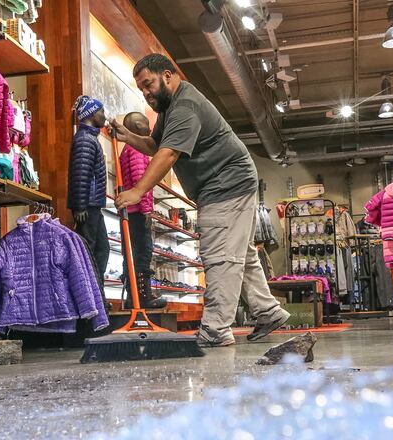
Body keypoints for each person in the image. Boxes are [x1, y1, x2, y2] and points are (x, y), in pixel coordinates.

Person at [109, 53, 290, 347]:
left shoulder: (185, 107)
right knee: (240, 255)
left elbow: (168, 154)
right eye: (141, 88)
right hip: (229, 182)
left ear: (167, 75)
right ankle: (267, 311)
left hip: (226, 185)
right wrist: (127, 135)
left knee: (220, 255)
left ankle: (216, 328)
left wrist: (137, 191)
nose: (146, 92)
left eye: (148, 84)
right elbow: (156, 146)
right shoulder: (170, 108)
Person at [119, 112, 166, 309]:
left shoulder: (127, 150)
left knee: (132, 253)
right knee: (143, 253)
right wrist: (147, 210)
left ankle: (135, 295)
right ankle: (142, 296)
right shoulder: (136, 150)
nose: (150, 128)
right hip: (137, 211)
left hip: (130, 211)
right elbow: (141, 180)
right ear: (138, 126)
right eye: (147, 124)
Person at [68, 95, 109, 308]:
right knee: (90, 252)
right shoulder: (85, 139)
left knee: (101, 249)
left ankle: (97, 296)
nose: (104, 116)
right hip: (88, 206)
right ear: (92, 114)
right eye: (101, 111)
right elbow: (80, 173)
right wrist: (80, 204)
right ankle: (91, 300)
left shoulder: (90, 138)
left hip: (94, 204)